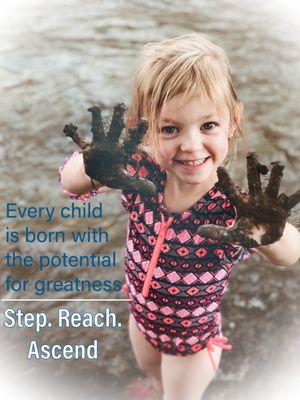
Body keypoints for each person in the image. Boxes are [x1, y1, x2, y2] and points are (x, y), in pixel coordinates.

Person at [59, 33, 300, 400]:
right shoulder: (139, 173)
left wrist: (272, 230)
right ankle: (154, 387)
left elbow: (291, 254)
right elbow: (70, 182)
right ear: (143, 128)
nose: (190, 144)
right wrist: (94, 167)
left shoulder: (236, 209)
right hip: (141, 319)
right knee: (149, 371)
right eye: (170, 128)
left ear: (232, 122)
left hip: (191, 344)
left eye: (208, 126)